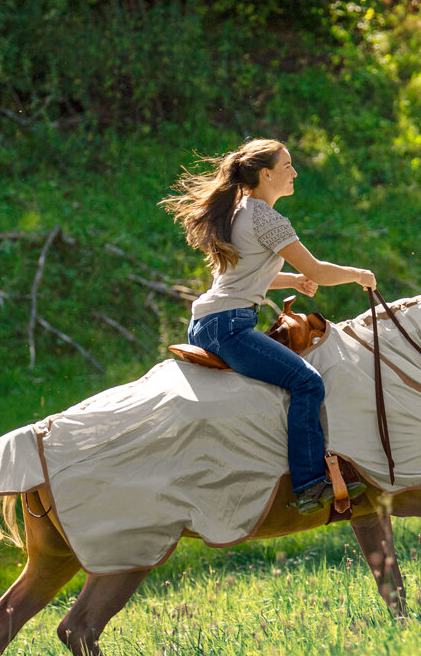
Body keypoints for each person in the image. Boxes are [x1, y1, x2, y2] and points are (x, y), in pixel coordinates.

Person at [160, 139, 377, 511]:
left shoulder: (237, 211)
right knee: (307, 383)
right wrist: (360, 275)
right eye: (288, 166)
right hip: (230, 327)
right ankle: (310, 483)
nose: (294, 173)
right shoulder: (265, 217)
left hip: (207, 324)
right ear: (266, 174)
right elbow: (318, 271)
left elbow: (243, 275)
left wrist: (291, 282)